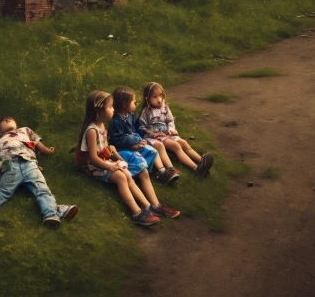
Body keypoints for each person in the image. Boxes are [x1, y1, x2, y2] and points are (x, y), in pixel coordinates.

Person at [76, 91, 180, 225]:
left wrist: (118, 160)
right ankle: (137, 212)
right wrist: (110, 166)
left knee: (127, 173)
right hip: (95, 166)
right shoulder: (91, 131)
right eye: (110, 107)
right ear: (99, 111)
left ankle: (151, 206)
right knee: (121, 177)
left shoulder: (102, 125)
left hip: (106, 159)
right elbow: (93, 158)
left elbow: (107, 149)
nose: (114, 109)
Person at [0, 115, 78, 227]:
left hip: (30, 164)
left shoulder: (25, 130)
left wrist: (48, 151)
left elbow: (39, 144)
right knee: (3, 190)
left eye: (9, 118)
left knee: (42, 190)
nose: (7, 119)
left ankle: (51, 214)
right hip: (8, 165)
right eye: (3, 120)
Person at [139, 82, 214, 177]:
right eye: (154, 97)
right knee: (176, 146)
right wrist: (152, 134)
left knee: (184, 143)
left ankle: (202, 162)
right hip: (157, 137)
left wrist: (171, 129)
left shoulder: (165, 107)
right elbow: (141, 127)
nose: (159, 100)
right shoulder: (146, 111)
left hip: (167, 134)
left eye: (161, 96)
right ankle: (196, 168)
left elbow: (170, 120)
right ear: (147, 99)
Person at [109, 86, 179, 185]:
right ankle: (154, 172)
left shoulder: (130, 115)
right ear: (124, 104)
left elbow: (133, 130)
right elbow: (119, 139)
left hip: (133, 143)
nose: (136, 104)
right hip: (123, 148)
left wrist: (139, 140)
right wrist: (136, 141)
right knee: (139, 157)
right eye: (134, 102)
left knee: (153, 150)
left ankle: (162, 172)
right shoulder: (116, 121)